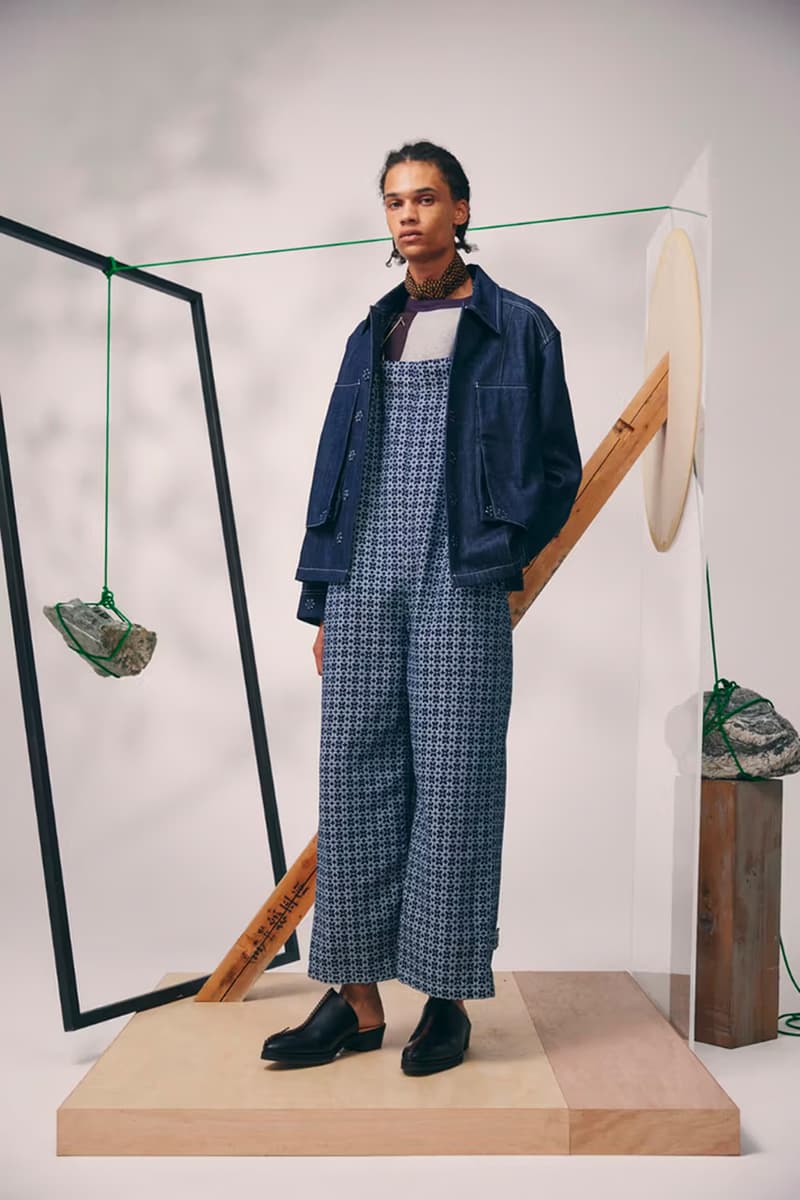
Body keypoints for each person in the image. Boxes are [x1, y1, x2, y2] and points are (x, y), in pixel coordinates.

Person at [261, 140, 582, 1076]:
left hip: (460, 575)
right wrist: (324, 600)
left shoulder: (519, 328)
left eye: (426, 198)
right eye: (395, 201)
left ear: (461, 211)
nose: (408, 215)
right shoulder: (371, 332)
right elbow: (333, 471)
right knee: (353, 780)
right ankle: (356, 999)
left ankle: (446, 999)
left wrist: (497, 548)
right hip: (363, 573)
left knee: (455, 780)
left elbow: (556, 469)